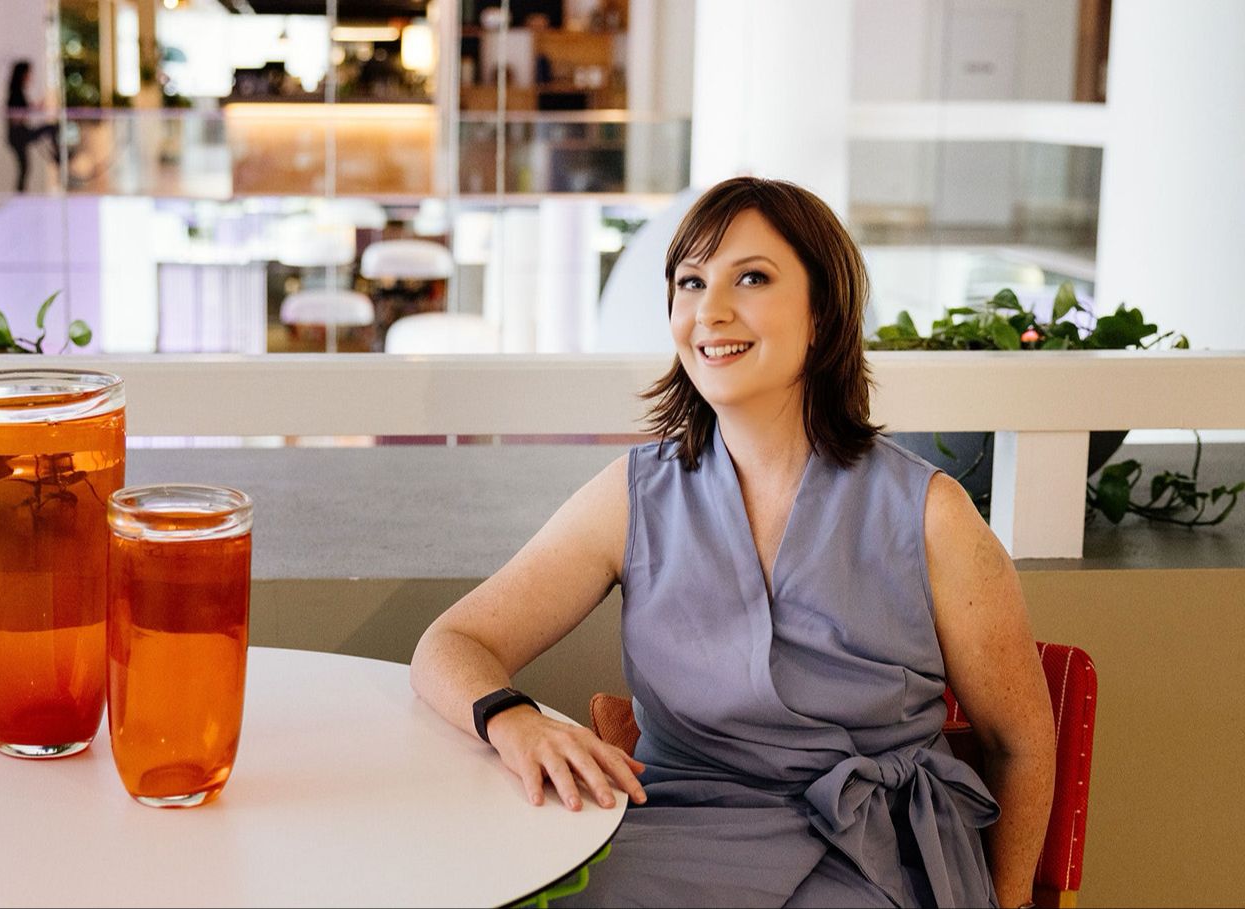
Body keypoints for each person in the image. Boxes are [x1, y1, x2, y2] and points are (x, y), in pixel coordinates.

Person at [409, 176, 1055, 908]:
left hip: (877, 862)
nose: (709, 310)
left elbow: (1020, 744)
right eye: (691, 282)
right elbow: (452, 642)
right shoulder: (633, 497)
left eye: (751, 278)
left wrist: (1009, 903)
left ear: (822, 314)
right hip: (672, 841)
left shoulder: (932, 515)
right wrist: (514, 721)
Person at [6, 60, 60, 193]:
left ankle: (20, 195)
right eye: (28, 73)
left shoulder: (18, 92)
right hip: (18, 134)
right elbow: (15, 117)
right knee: (24, 167)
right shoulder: (15, 93)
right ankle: (57, 155)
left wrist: (36, 107)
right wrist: (29, 111)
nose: (30, 76)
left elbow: (24, 110)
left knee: (24, 167)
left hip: (19, 133)